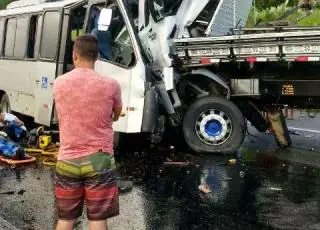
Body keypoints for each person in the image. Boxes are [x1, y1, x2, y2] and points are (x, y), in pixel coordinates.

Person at [53, 34, 122, 230]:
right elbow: (116, 113)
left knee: (66, 219)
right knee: (98, 219)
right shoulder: (111, 85)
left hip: (67, 159)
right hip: (99, 159)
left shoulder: (59, 83)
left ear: (75, 55)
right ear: (97, 56)